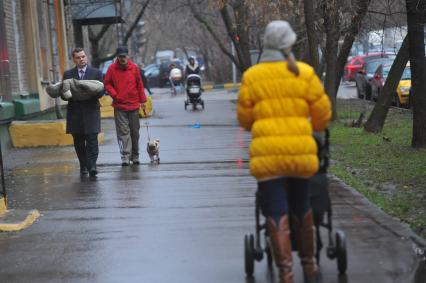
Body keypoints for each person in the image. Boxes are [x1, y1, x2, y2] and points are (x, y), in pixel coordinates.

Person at [237, 21, 331, 283]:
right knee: (302, 206)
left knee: (276, 212)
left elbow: (245, 121)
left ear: (266, 44)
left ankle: (286, 274)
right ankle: (310, 267)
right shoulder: (304, 72)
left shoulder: (252, 77)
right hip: (300, 155)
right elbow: (322, 117)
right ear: (289, 44)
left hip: (268, 159)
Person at [63, 47, 103, 177]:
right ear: (74, 59)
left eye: (83, 56)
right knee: (79, 142)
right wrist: (68, 95)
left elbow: (102, 91)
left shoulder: (96, 73)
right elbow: (64, 93)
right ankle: (83, 165)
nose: (81, 59)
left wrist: (92, 91)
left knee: (92, 140)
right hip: (75, 112)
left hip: (91, 111)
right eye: (78, 57)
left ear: (86, 57)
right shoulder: (68, 74)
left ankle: (92, 166)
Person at [104, 46, 147, 166]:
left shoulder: (134, 68)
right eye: (120, 56)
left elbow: (139, 84)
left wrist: (143, 100)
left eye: (124, 56)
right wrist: (115, 95)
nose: (122, 58)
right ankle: (125, 157)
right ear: (117, 57)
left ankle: (135, 156)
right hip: (120, 106)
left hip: (134, 105)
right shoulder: (112, 68)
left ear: (128, 56)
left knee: (135, 132)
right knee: (123, 132)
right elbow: (107, 84)